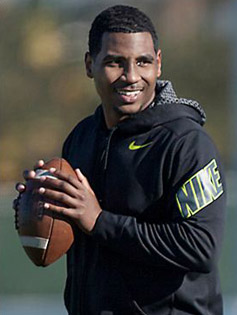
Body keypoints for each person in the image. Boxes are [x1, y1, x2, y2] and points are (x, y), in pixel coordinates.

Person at [13, 5, 226, 314]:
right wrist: (41, 208)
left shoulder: (186, 144)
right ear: (89, 64)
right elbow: (76, 231)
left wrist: (99, 220)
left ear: (159, 64)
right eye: (115, 62)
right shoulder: (82, 137)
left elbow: (201, 246)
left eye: (143, 62)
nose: (131, 76)